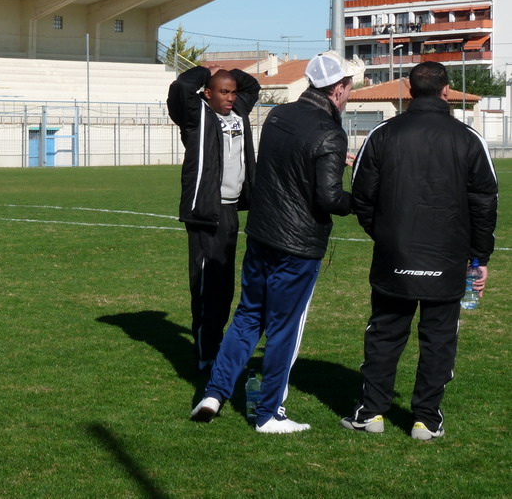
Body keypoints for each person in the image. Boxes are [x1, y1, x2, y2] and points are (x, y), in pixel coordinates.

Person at [191, 51, 361, 433]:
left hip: (262, 234)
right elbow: (329, 198)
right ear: (337, 88)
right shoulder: (330, 131)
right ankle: (269, 414)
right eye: (348, 86)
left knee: (247, 317)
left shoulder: (278, 116)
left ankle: (214, 393)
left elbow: (289, 165)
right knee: (285, 327)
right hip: (297, 245)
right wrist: (363, 201)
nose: (350, 92)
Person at [342, 61, 497, 441]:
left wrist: (385, 235)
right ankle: (420, 419)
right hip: (439, 258)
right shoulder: (465, 137)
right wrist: (479, 259)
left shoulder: (387, 133)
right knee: (437, 338)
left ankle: (383, 413)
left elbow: (361, 195)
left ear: (410, 91)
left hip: (405, 256)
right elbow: (486, 204)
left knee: (385, 334)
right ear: (446, 91)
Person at [167, 64, 260, 372]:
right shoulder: (198, 116)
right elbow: (182, 87)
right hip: (207, 211)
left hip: (231, 210)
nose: (231, 97)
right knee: (208, 285)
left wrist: (230, 72)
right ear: (207, 93)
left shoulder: (239, 112)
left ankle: (215, 344)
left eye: (232, 92)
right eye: (223, 91)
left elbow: (252, 86)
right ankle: (207, 351)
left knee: (225, 284)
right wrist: (207, 70)